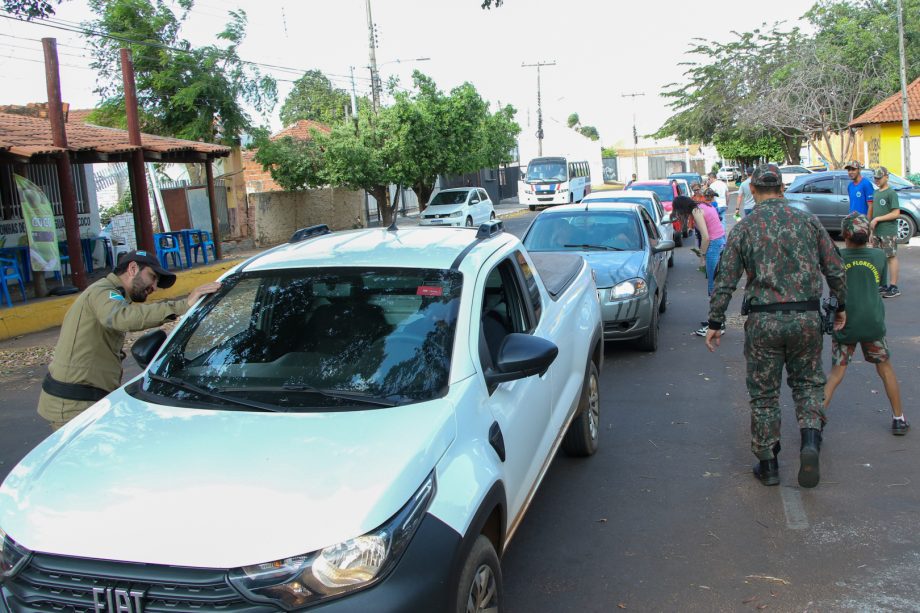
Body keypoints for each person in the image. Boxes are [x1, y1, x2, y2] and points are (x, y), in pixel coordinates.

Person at [704, 163, 846, 489]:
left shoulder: (745, 228)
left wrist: (715, 320)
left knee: (764, 394)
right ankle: (810, 441)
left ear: (752, 190)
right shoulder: (808, 221)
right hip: (806, 318)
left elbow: (725, 279)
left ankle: (768, 464)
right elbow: (835, 268)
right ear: (782, 189)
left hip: (763, 321)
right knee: (808, 385)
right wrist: (842, 305)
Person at [37, 250, 222, 430]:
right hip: (74, 404)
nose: (154, 287)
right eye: (153, 277)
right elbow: (122, 317)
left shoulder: (112, 294)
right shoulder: (102, 292)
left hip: (87, 399)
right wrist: (183, 305)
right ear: (133, 268)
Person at [823, 213, 908, 435]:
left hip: (845, 322)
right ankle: (899, 418)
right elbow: (879, 283)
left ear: (845, 235)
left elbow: (833, 286)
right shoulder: (879, 256)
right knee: (885, 368)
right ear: (867, 234)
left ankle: (815, 425)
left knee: (836, 373)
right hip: (872, 322)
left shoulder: (839, 256)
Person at [673, 193, 727, 337]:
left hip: (714, 245)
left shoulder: (697, 212)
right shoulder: (702, 206)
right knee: (716, 284)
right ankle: (716, 320)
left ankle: (716, 325)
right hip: (720, 242)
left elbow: (706, 237)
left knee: (713, 286)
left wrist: (702, 255)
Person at [868, 166, 901, 298]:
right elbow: (874, 212)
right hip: (876, 231)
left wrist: (878, 219)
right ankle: (882, 285)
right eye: (875, 178)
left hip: (888, 230)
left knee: (891, 257)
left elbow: (896, 213)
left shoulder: (891, 193)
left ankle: (893, 287)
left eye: (879, 178)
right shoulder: (876, 193)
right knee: (878, 258)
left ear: (886, 177)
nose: (877, 180)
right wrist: (871, 231)